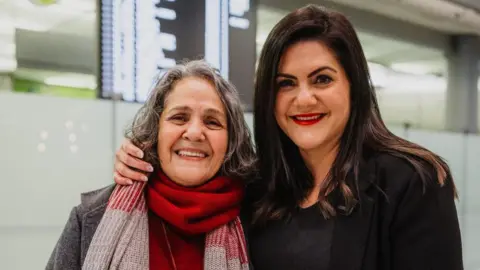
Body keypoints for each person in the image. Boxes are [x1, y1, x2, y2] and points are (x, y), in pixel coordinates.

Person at [112, 4, 463, 270]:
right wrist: (142, 160)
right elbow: (191, 176)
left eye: (322, 79)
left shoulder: (411, 182)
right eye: (286, 84)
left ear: (353, 87)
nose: (304, 98)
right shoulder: (258, 188)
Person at [46, 60, 257, 270]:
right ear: (156, 130)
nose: (194, 133)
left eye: (212, 122)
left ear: (231, 140)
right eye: (179, 117)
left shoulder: (258, 220)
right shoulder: (91, 218)